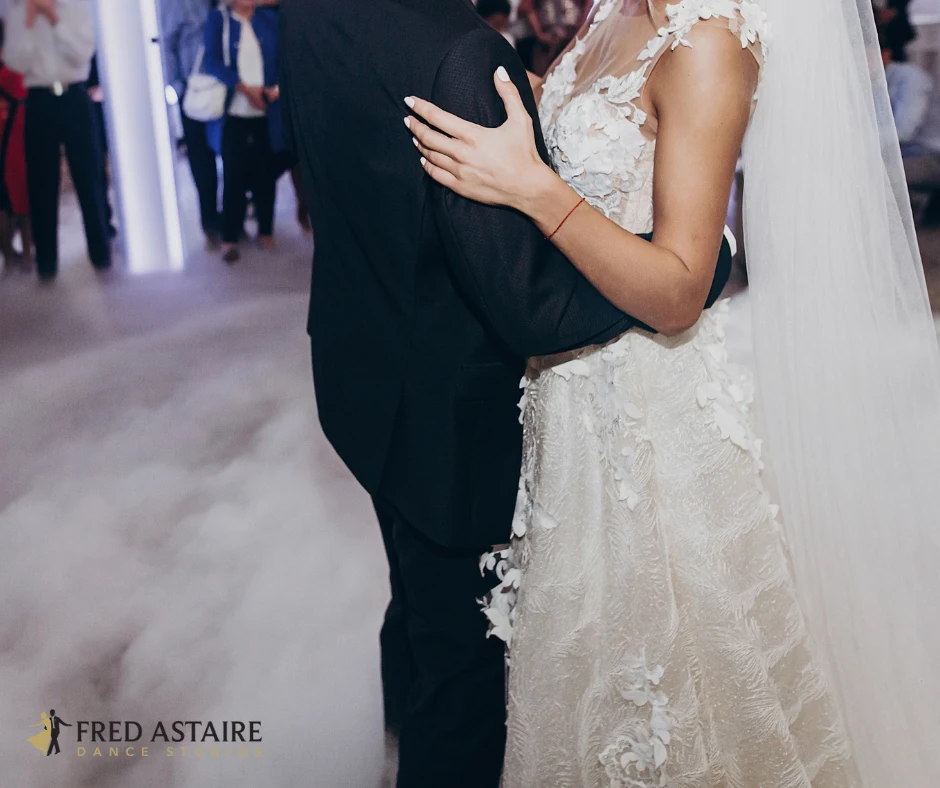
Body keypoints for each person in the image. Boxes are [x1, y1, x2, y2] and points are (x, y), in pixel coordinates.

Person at [409, 0, 940, 785]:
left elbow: (680, 288)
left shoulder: (709, 43)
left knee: (676, 680)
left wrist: (529, 188)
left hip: (648, 424)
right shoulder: (608, 12)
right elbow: (585, 126)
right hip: (567, 408)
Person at [277, 1, 733, 785]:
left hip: (364, 373)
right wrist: (708, 266)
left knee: (418, 610)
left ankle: (398, 721)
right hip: (451, 426)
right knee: (462, 688)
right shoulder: (458, 51)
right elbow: (535, 307)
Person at [5, 0, 112, 282]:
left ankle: (101, 253)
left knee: (90, 177)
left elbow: (82, 54)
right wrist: (29, 22)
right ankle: (47, 262)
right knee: (41, 183)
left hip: (75, 96)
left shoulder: (76, 8)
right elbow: (16, 61)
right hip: (38, 101)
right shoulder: (19, 13)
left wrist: (53, 18)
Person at [203, 0, 283, 263]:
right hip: (234, 112)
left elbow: (283, 58)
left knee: (265, 171)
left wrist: (274, 89)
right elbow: (211, 61)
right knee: (234, 173)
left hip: (266, 109)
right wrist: (244, 88)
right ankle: (230, 237)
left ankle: (266, 230)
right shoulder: (218, 20)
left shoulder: (268, 20)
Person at [162, 0, 223, 247]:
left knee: (235, 153)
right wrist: (177, 87)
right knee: (201, 158)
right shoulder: (177, 3)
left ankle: (233, 217)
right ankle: (210, 218)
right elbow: (168, 44)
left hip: (229, 88)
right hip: (195, 89)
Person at [880, 20, 940, 207]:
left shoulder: (910, 78)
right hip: (896, 157)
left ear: (885, 54)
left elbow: (904, 131)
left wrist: (855, 143)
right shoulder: (867, 85)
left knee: (867, 172)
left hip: (927, 157)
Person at [0, 19, 32, 269]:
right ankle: (29, 256)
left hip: (6, 129)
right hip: (13, 135)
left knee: (3, 199)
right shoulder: (12, 67)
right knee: (21, 197)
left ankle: (9, 256)